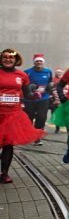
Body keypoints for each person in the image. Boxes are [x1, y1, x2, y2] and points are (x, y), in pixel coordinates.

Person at [0, 49, 46, 183]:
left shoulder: (22, 75)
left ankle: (4, 174)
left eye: (11, 58)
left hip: (12, 115)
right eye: (5, 57)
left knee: (8, 145)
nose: (8, 59)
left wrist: (35, 94)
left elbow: (27, 95)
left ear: (16, 60)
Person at [23, 53, 52, 145]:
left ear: (43, 62)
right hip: (30, 99)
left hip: (43, 99)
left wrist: (50, 86)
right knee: (29, 118)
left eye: (40, 61)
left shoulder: (48, 71)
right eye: (37, 61)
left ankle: (37, 138)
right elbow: (23, 85)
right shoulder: (27, 72)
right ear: (34, 62)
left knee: (41, 117)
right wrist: (31, 88)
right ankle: (28, 135)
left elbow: (51, 82)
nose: (39, 62)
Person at [50, 68, 63, 134]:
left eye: (60, 72)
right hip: (54, 99)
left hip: (63, 98)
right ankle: (57, 128)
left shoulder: (64, 79)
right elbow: (50, 87)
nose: (59, 73)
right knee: (55, 113)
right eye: (57, 72)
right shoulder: (52, 79)